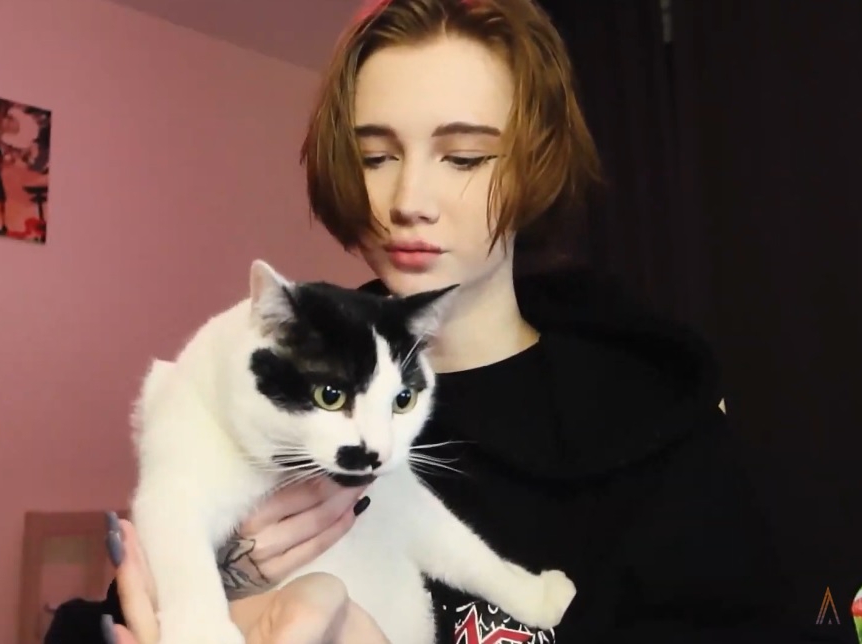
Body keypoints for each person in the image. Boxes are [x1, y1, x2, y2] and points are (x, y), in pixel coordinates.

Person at [48, 0, 790, 642]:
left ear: (534, 163)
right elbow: (121, 612)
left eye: (462, 158)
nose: (408, 200)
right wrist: (224, 575)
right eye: (375, 156)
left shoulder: (651, 421)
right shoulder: (283, 369)